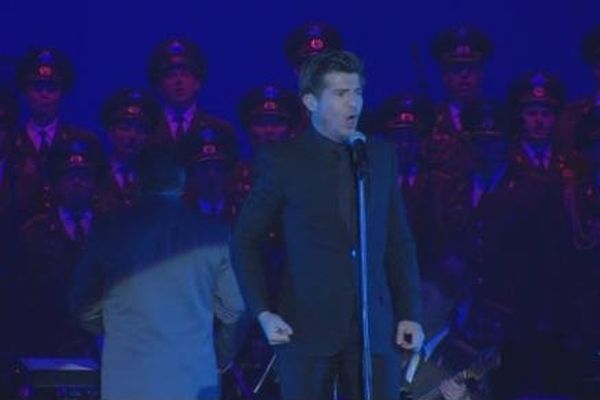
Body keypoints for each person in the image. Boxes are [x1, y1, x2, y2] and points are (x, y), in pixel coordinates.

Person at [231, 50, 423, 400]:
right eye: (340, 94)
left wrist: (410, 312)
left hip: (372, 327)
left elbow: (399, 240)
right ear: (310, 101)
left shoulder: (379, 155)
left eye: (358, 92)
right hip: (305, 326)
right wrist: (262, 311)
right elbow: (244, 241)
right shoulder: (284, 160)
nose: (354, 104)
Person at [70, 144, 245, 400]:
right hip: (193, 380)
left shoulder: (107, 232)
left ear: (137, 181)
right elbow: (236, 309)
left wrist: (119, 328)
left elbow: (82, 305)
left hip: (127, 381)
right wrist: (220, 355)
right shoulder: (214, 233)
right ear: (183, 180)